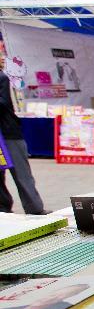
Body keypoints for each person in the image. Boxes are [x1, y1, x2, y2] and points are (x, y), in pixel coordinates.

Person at [0, 57, 47, 214]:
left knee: (21, 174)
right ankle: (3, 209)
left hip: (9, 134)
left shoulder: (2, 77)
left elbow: (3, 103)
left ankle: (35, 210)